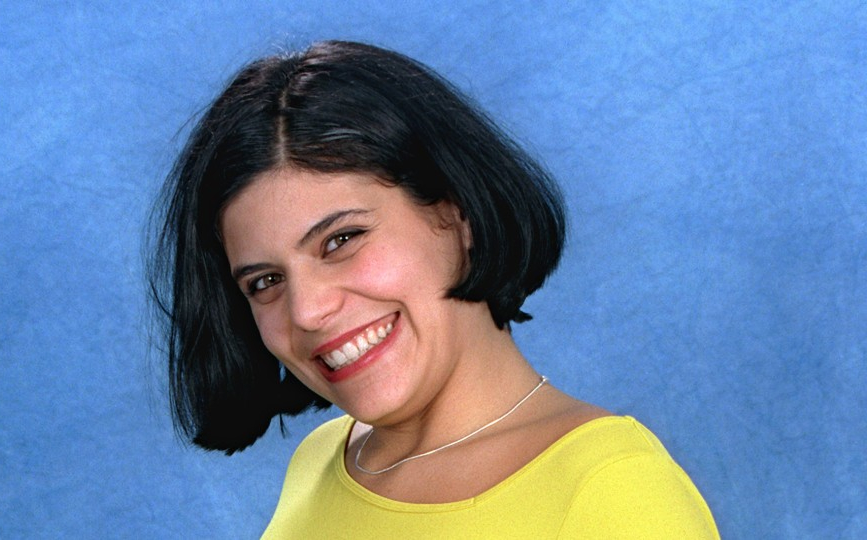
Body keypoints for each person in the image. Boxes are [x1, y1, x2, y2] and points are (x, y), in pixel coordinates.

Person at [150, 40, 719, 538]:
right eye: (266, 281)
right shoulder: (321, 461)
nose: (308, 310)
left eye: (341, 240)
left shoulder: (613, 494)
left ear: (458, 214)